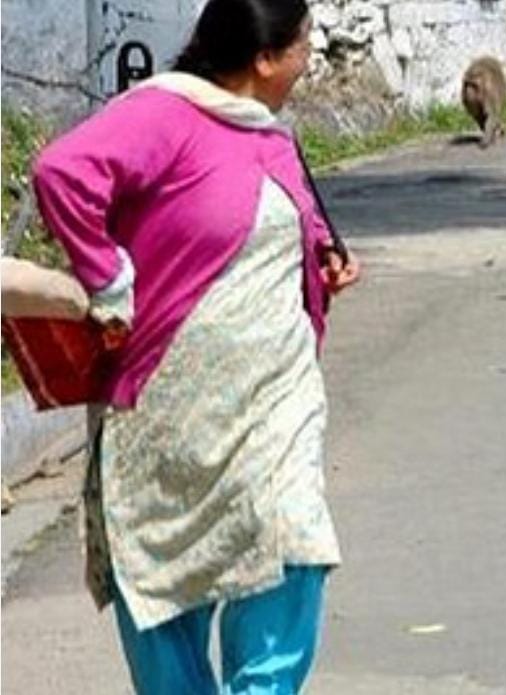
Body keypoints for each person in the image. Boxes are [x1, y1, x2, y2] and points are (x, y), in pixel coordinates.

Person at [31, 0, 360, 691]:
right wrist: (109, 278)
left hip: (274, 408)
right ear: (264, 59)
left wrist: (321, 259)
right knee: (165, 591)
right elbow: (63, 172)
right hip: (169, 415)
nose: (310, 58)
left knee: (293, 543)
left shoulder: (271, 133)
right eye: (303, 45)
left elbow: (272, 229)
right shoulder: (167, 113)